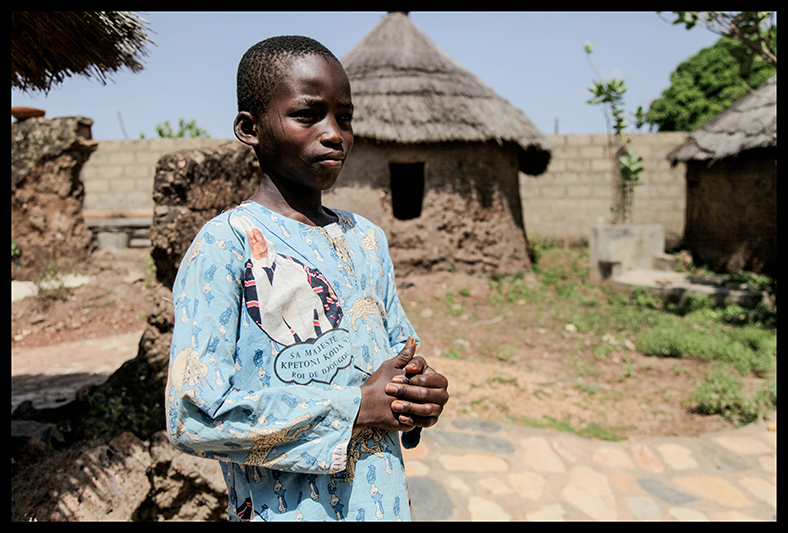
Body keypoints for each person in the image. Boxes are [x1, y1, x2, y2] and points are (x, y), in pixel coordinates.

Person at [164, 35, 449, 522]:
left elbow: (396, 364)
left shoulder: (366, 240)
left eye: (345, 117)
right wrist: (355, 407)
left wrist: (418, 397)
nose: (334, 133)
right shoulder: (226, 246)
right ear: (250, 129)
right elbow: (193, 416)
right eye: (307, 115)